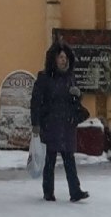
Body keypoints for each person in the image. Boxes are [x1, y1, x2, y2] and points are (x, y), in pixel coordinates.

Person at [31, 40, 90, 202]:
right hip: (50, 124)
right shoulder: (44, 78)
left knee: (69, 159)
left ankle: (75, 191)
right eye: (61, 57)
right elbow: (35, 102)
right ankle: (48, 192)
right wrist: (35, 124)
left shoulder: (70, 77)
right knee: (49, 160)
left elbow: (75, 101)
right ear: (54, 59)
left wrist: (78, 94)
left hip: (67, 124)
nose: (64, 60)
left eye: (65, 57)